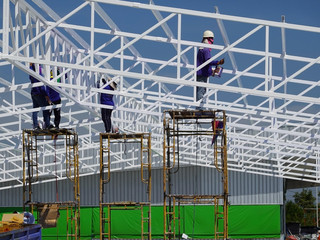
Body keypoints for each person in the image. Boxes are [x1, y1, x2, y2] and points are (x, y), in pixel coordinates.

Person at [196, 30, 224, 108]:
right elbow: (208, 61)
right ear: (208, 39)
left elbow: (204, 63)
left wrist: (211, 71)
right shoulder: (206, 49)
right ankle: (199, 109)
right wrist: (218, 62)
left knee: (199, 91)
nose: (212, 41)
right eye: (211, 39)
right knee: (201, 92)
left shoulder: (201, 49)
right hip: (202, 74)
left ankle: (198, 108)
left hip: (201, 73)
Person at [29, 63, 52, 129]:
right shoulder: (38, 74)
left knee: (35, 110)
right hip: (39, 93)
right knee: (45, 108)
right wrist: (46, 96)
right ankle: (47, 124)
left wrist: (30, 66)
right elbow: (41, 86)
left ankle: (35, 125)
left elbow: (30, 71)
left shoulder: (31, 74)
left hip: (33, 93)